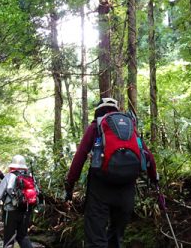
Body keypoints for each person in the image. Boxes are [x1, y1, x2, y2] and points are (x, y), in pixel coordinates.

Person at [64, 97, 159, 248]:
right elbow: (147, 155)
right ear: (116, 109)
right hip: (126, 189)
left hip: (100, 189)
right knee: (116, 237)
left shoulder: (96, 126)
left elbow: (80, 156)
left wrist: (69, 185)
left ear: (98, 111)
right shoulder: (130, 127)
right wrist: (154, 179)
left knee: (96, 238)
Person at [0, 155, 34, 248]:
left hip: (11, 211)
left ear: (12, 165)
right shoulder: (30, 176)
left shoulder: (9, 176)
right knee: (23, 237)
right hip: (26, 211)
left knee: (9, 240)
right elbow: (36, 193)